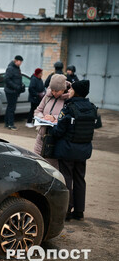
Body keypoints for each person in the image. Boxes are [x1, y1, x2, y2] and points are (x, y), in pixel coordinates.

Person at [50, 80, 97, 221]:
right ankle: (79, 212)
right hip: (83, 150)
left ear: (76, 92)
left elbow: (58, 131)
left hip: (68, 150)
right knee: (80, 179)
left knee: (67, 179)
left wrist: (53, 125)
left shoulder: (69, 108)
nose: (68, 91)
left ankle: (67, 212)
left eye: (71, 90)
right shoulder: (92, 108)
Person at [33, 74, 69, 169]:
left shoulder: (68, 100)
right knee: (37, 165)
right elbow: (37, 110)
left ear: (63, 89)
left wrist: (54, 118)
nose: (53, 93)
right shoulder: (47, 97)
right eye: (52, 90)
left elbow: (68, 117)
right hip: (41, 137)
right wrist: (42, 117)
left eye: (56, 91)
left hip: (54, 140)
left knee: (51, 169)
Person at [4, 55, 25, 131]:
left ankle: (7, 123)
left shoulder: (16, 68)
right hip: (10, 91)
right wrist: (16, 86)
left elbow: (17, 78)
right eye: (20, 62)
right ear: (16, 60)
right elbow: (7, 79)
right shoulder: (10, 68)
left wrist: (21, 86)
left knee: (10, 107)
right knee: (11, 108)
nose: (21, 63)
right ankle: (10, 124)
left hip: (14, 91)